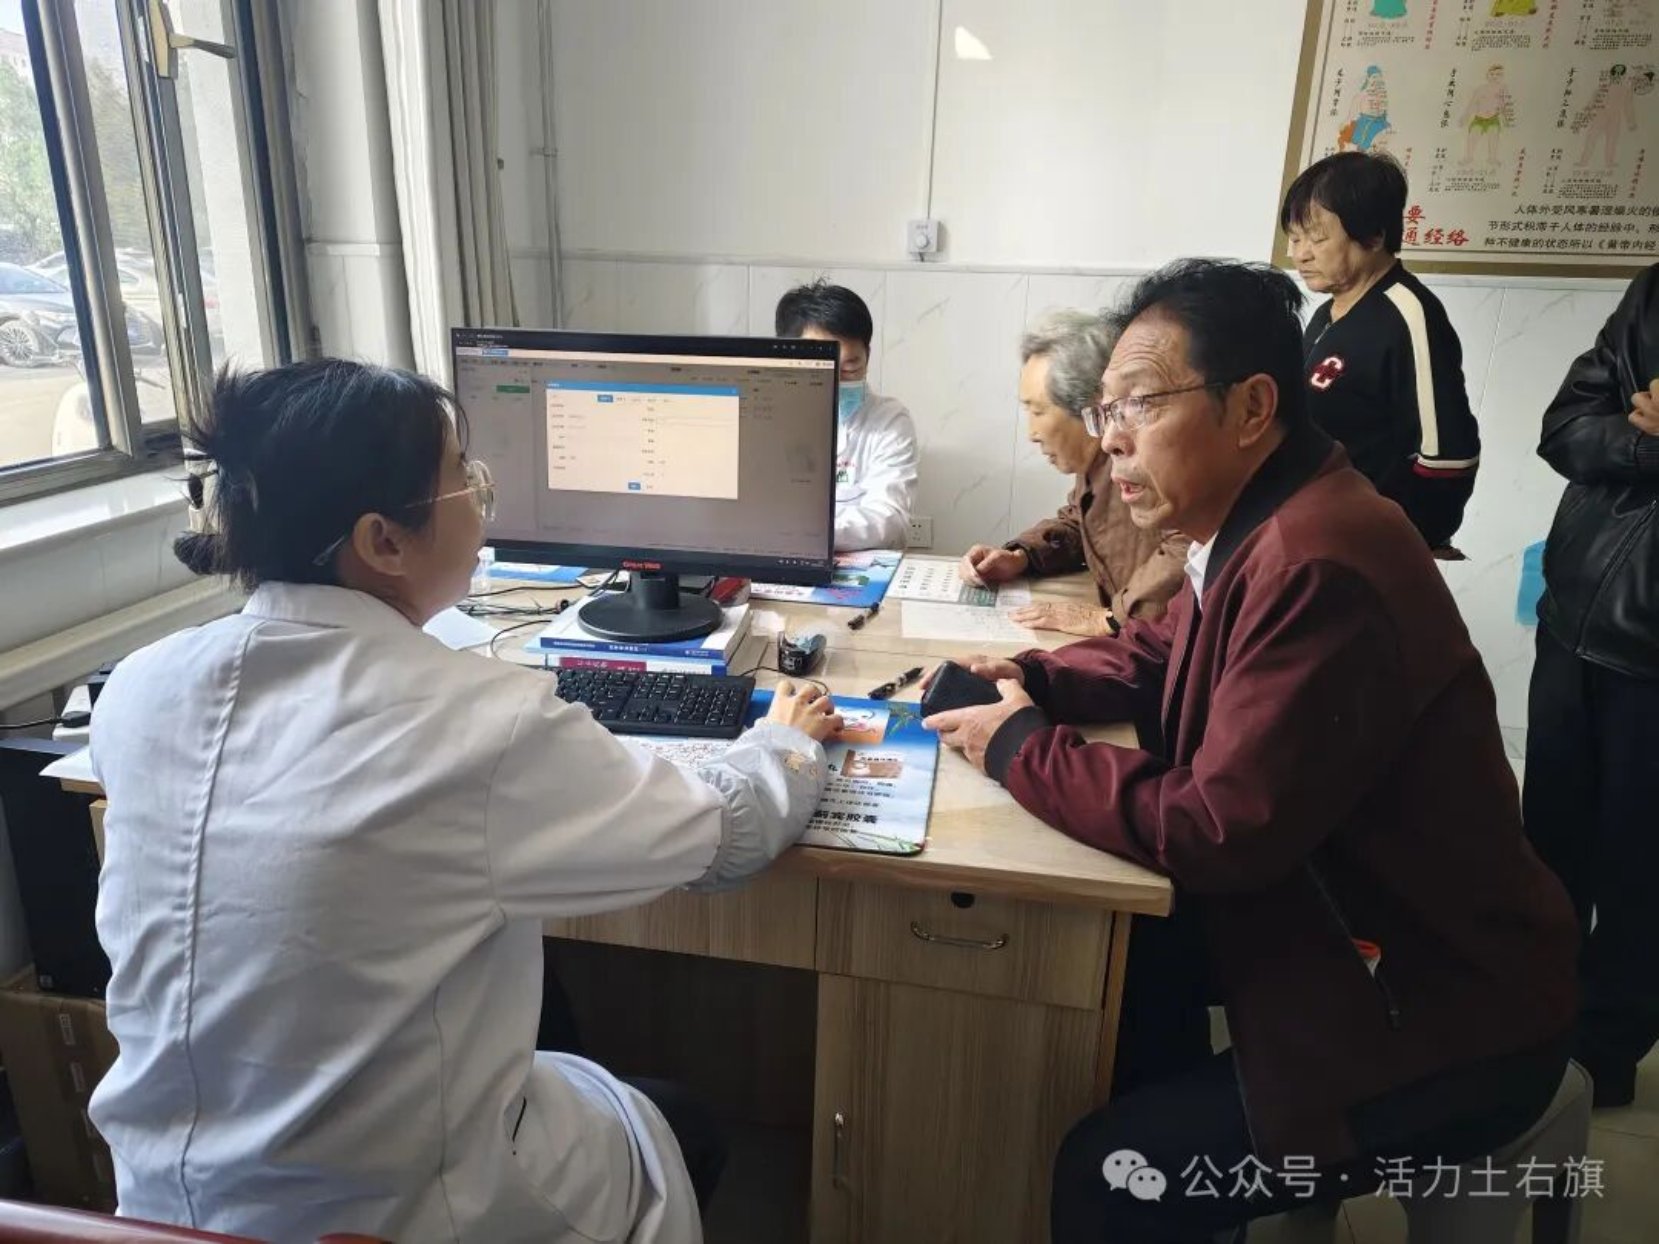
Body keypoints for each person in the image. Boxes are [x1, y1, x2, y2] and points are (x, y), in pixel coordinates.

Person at [86, 360, 843, 1243]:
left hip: (163, 1208)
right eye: (465, 480)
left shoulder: (140, 687)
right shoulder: (480, 722)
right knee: (682, 1125)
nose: (483, 504)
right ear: (384, 541)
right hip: (395, 1214)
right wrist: (786, 742)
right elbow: (725, 833)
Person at [922, 259, 1576, 1243]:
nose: (1112, 437)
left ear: (1252, 407)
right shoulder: (1266, 518)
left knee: (1109, 1174)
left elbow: (1216, 827)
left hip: (1442, 1013)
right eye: (1104, 410)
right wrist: (1037, 678)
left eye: (1139, 404)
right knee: (1125, 969)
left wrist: (1022, 747)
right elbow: (1160, 651)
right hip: (1339, 937)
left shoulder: (1318, 558)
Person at [1525, 262, 1659, 1109]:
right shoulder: (1653, 294)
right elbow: (1565, 427)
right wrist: (1645, 444)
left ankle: (1602, 1055)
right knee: (1547, 842)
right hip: (1573, 615)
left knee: (1640, 871)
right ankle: (1530, 1023)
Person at [1283, 152, 1481, 553]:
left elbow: (1448, 457)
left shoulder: (1409, 315)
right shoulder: (1327, 312)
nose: (1298, 253)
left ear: (1373, 236)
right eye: (1295, 237)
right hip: (1312, 527)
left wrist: (1397, 538)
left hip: (1363, 542)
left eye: (1316, 238)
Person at [959, 310, 1187, 637]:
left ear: (1089, 405)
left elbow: (1187, 543)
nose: (1032, 434)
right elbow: (1082, 522)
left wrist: (1110, 619)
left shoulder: (1141, 457)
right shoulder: (1095, 464)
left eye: (1038, 411)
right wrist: (1021, 555)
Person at [775, 280, 918, 551]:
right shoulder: (764, 417)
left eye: (850, 368)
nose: (836, 382)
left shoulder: (889, 420)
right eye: (821, 367)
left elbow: (890, 520)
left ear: (867, 357)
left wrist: (805, 531)